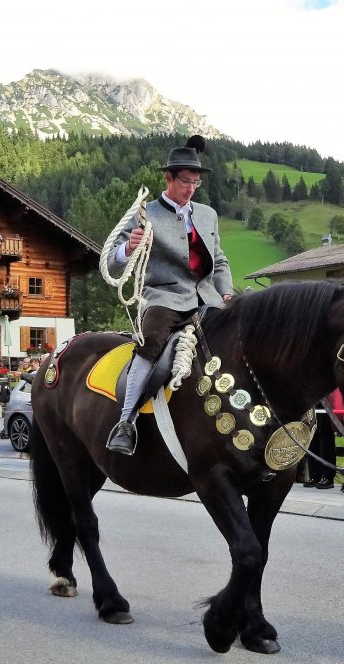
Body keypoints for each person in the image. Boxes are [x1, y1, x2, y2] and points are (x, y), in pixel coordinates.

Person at [105, 135, 234, 455]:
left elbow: (218, 261)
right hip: (164, 297)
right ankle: (126, 421)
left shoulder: (208, 215)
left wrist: (227, 292)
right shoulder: (144, 213)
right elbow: (111, 260)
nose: (190, 188)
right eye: (185, 181)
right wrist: (129, 247)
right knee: (150, 343)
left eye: (196, 182)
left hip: (208, 297)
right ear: (169, 178)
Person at [305, 390, 343, 489]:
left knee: (326, 445)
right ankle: (314, 475)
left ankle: (327, 477)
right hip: (313, 405)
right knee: (312, 443)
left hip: (326, 405)